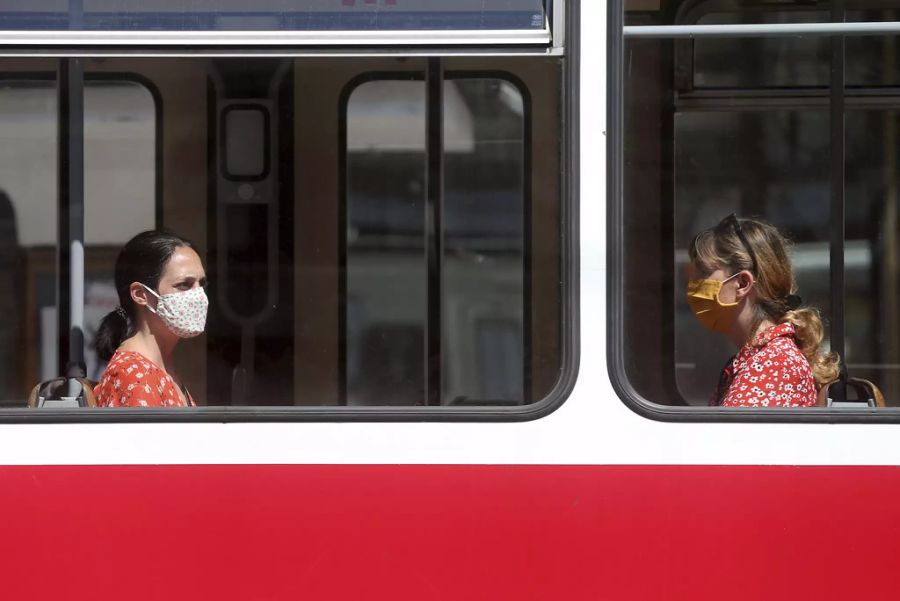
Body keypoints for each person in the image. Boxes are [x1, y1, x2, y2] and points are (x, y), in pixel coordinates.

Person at [685, 214, 839, 407]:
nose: (693, 283)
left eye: (704, 272)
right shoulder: (755, 360)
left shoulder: (774, 365)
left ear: (742, 283)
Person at [93, 230, 207, 407]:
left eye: (202, 284)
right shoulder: (134, 374)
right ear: (140, 294)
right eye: (184, 284)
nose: (199, 295)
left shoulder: (161, 368)